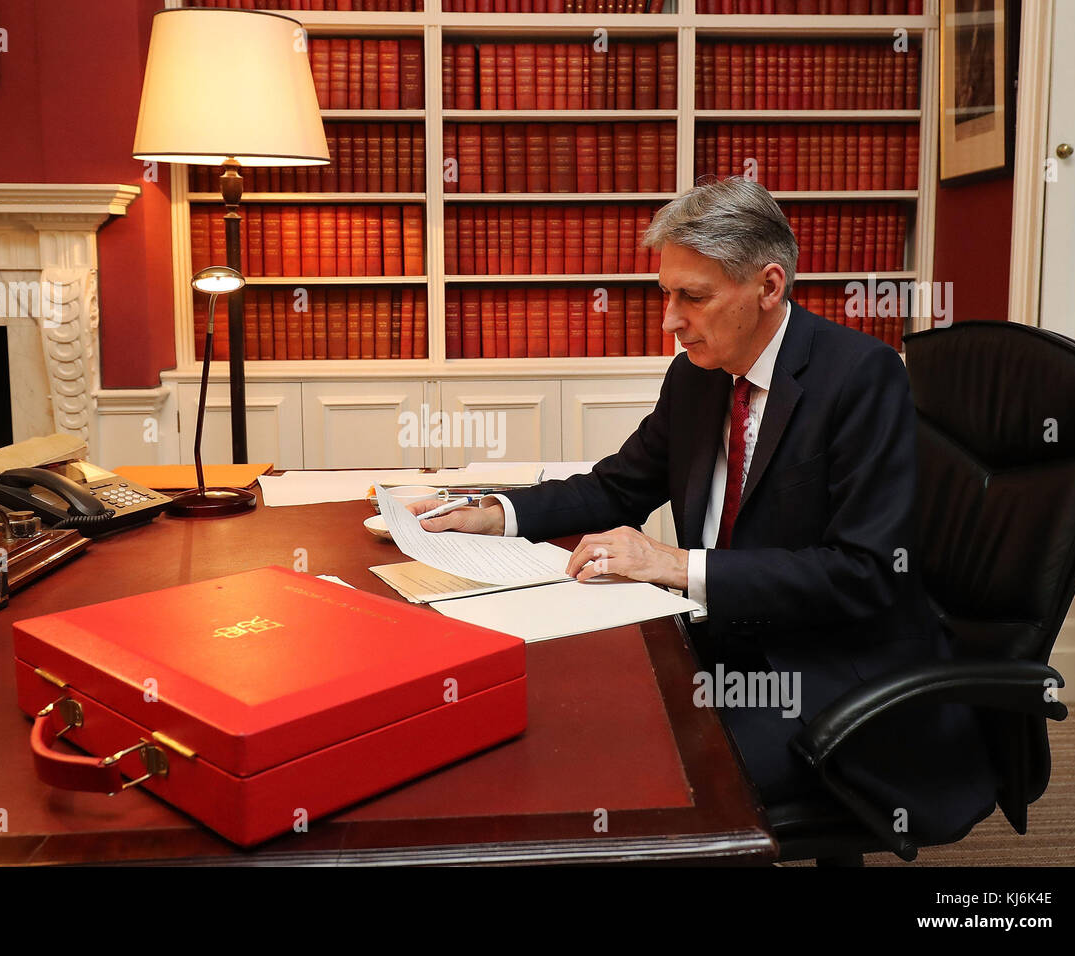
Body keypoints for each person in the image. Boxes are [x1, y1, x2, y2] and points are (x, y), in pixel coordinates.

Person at [409, 177, 997, 843]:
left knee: (636, 779)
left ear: (769, 287)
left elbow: (864, 572)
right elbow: (617, 487)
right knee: (556, 720)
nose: (670, 319)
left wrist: (673, 563)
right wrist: (497, 512)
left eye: (693, 296)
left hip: (818, 672)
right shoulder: (696, 374)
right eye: (667, 294)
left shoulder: (860, 377)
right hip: (714, 642)